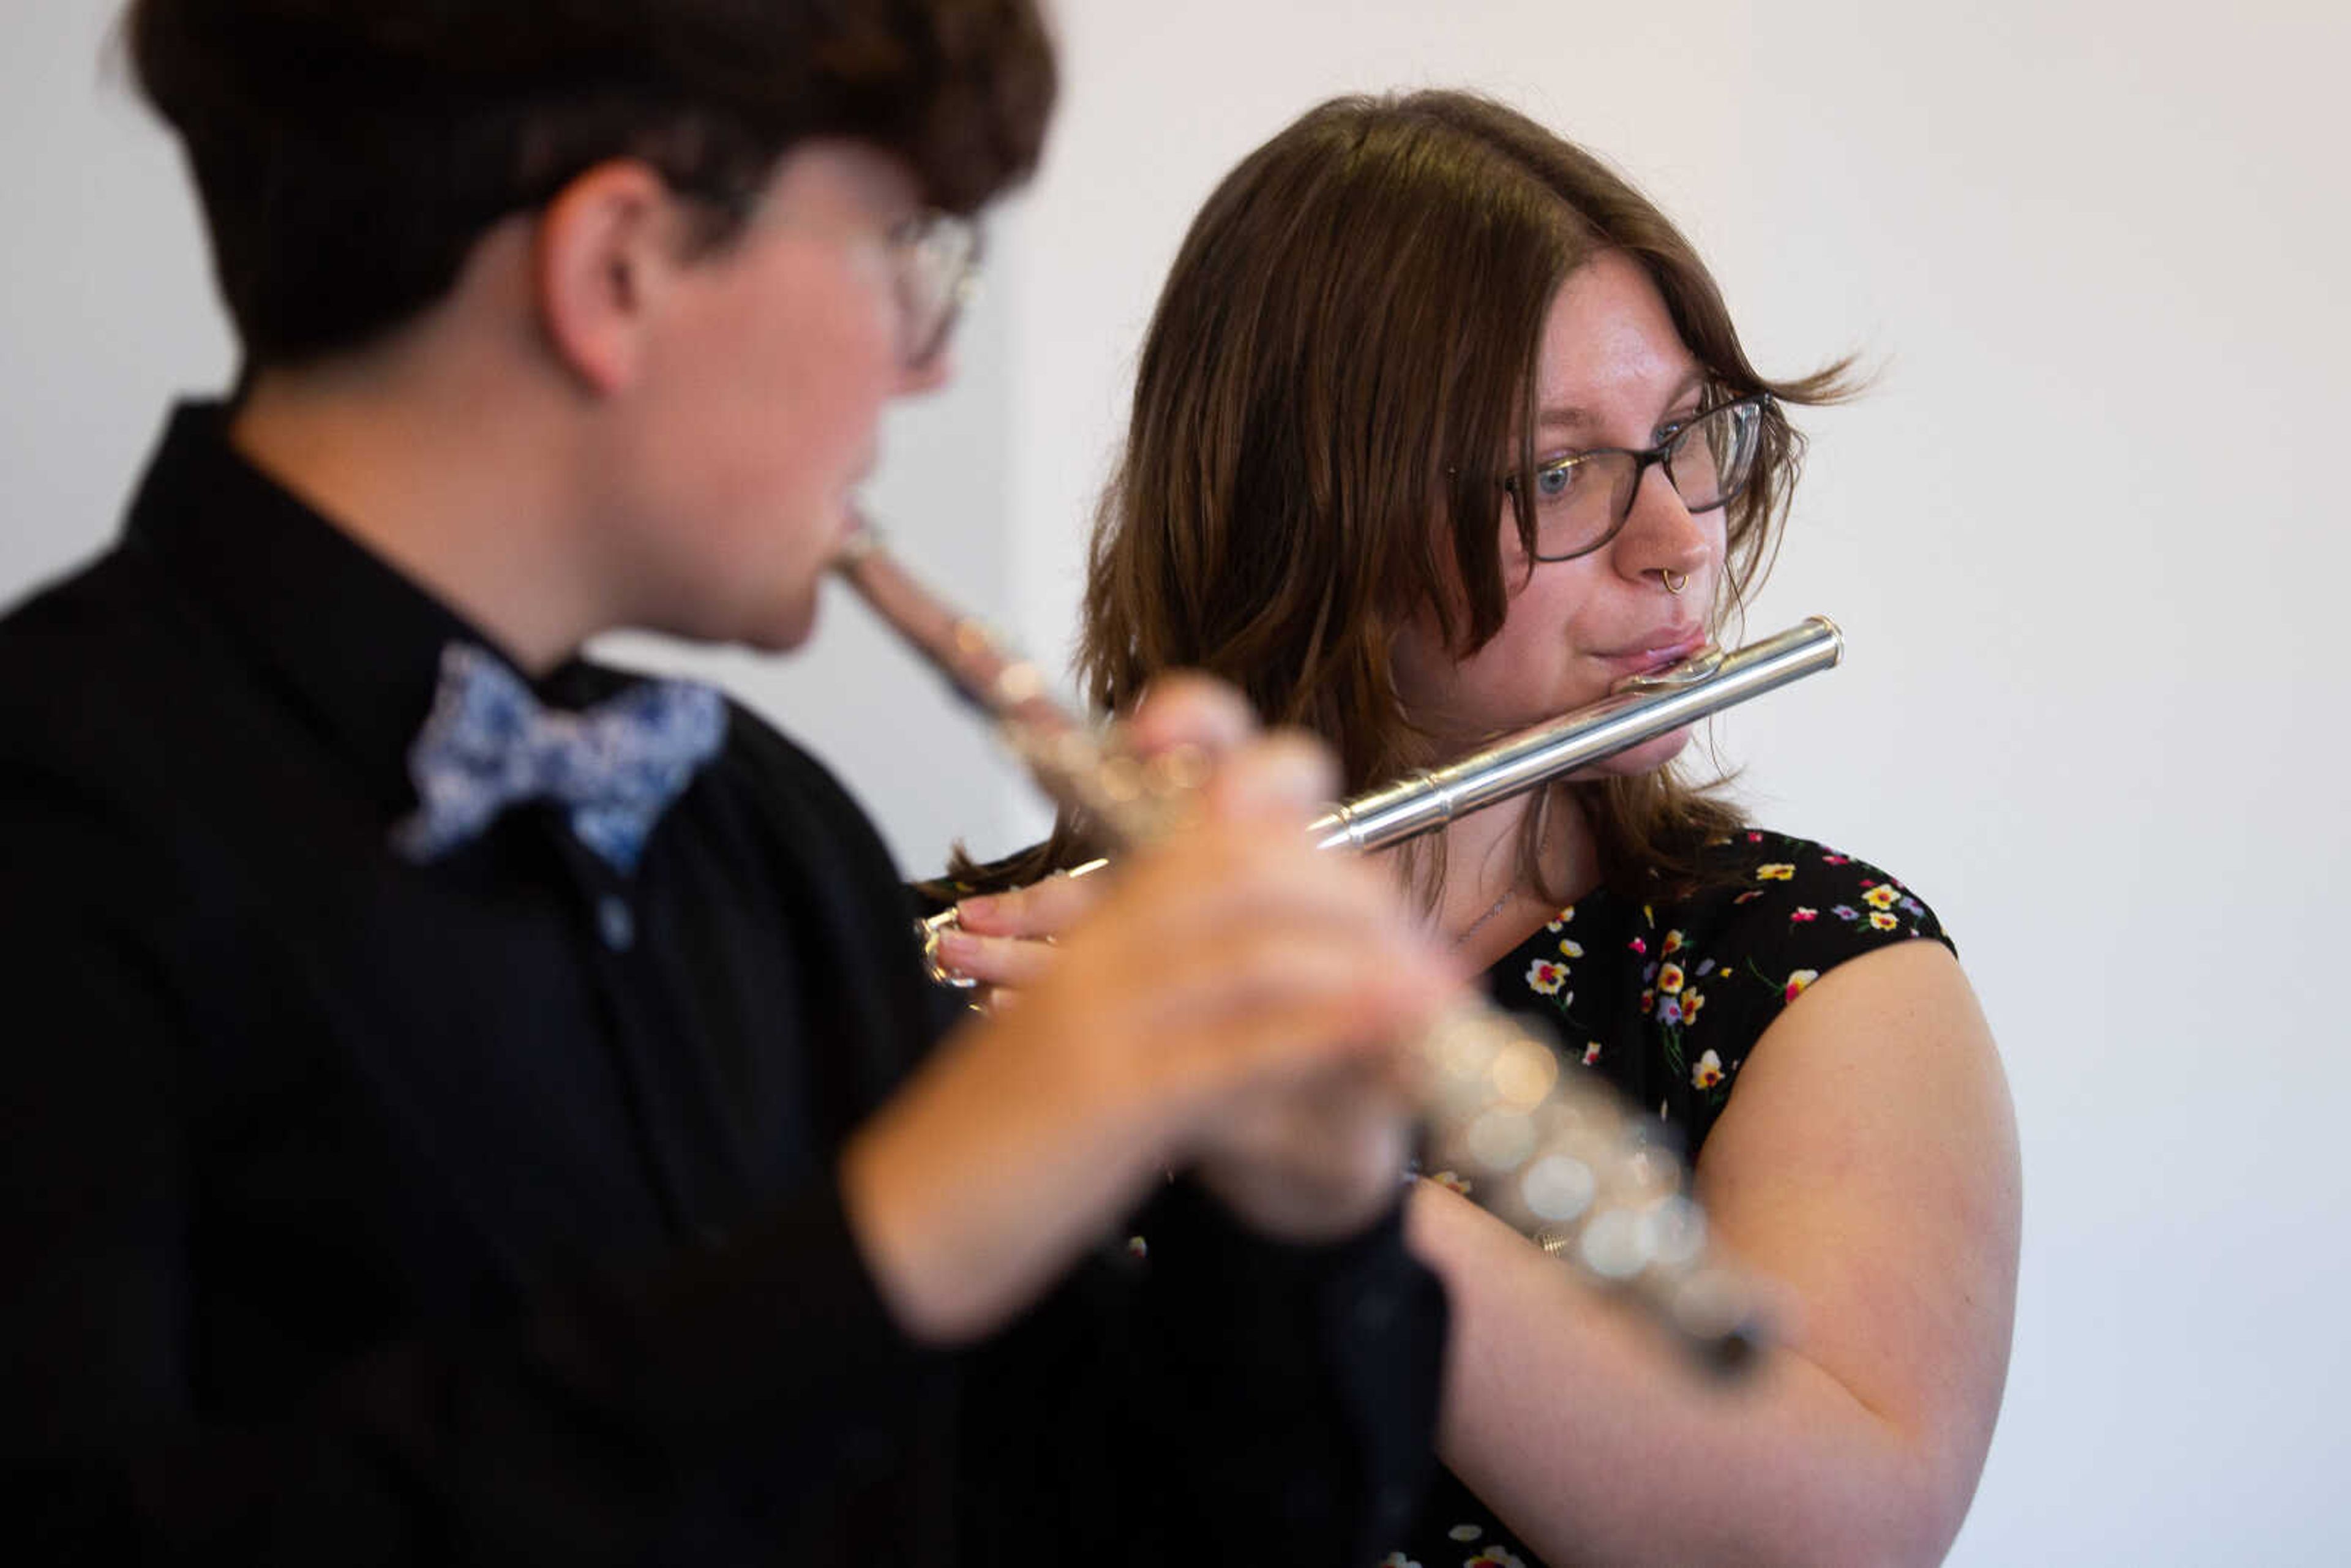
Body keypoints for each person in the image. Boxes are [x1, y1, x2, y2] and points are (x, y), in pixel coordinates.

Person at [0, 9, 1464, 1563]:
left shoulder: (764, 833)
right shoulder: (60, 810)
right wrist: (897, 1240)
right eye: (900, 250)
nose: (932, 357)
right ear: (619, 269)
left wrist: (1292, 1218)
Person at [931, 91, 2022, 1568]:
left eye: (1691, 438)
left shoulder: (1815, 972)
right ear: (1315, 514)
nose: (1680, 537)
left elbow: (1835, 1538)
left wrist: (1324, 1182)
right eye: (1562, 471)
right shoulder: (981, 975)